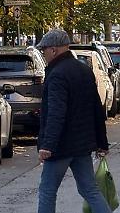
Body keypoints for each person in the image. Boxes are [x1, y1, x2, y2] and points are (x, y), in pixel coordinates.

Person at [35, 28, 111, 213]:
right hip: (83, 145)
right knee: (89, 189)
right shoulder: (84, 70)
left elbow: (56, 112)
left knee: (47, 190)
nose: (43, 54)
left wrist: (48, 145)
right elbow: (97, 108)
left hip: (61, 146)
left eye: (44, 50)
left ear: (54, 50)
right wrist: (102, 142)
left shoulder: (56, 75)